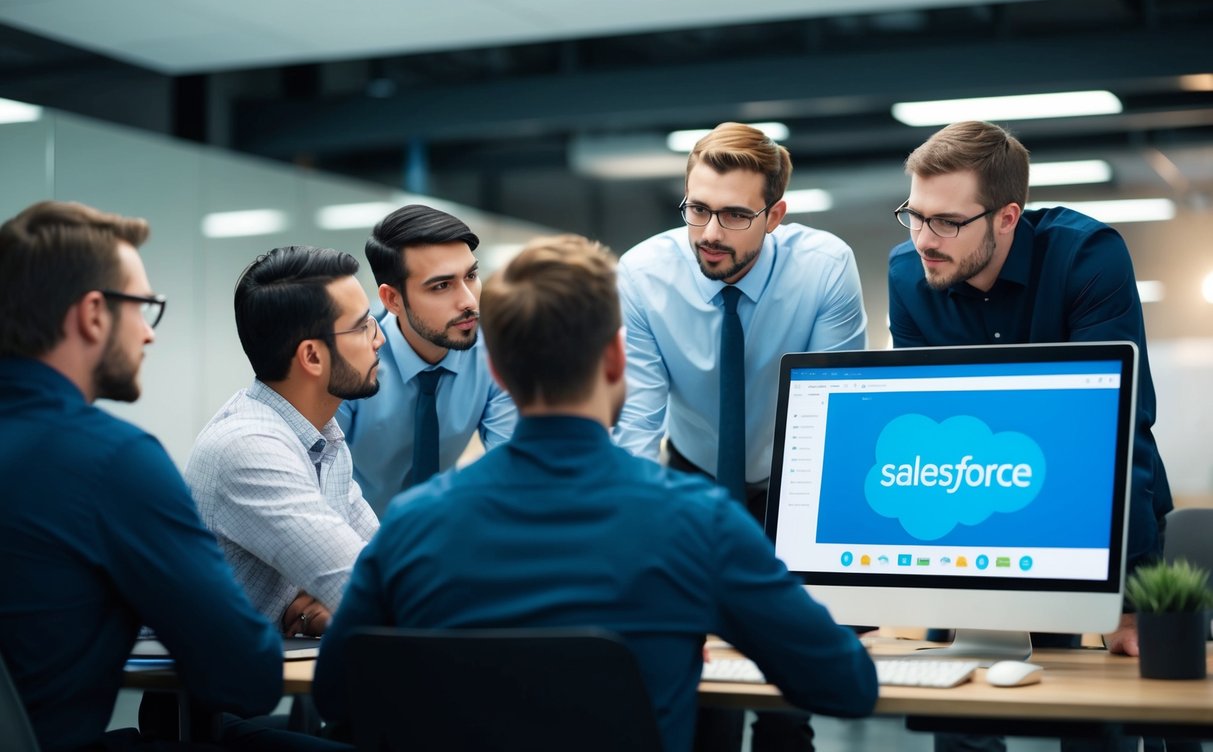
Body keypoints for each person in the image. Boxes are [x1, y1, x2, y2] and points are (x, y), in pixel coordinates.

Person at [312, 235, 878, 752]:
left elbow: (335, 695)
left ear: (501, 376)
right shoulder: (697, 522)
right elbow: (845, 686)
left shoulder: (412, 526)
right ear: (615, 357)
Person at [887, 120, 1174, 752]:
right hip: (979, 515)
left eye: (946, 222)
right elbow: (928, 440)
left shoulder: (1085, 257)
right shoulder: (911, 274)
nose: (923, 239)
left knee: (1102, 716)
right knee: (959, 716)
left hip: (1090, 516)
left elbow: (1119, 436)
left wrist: (1126, 595)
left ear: (1008, 216)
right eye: (914, 214)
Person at [614, 122, 867, 751]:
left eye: (733, 215)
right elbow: (638, 425)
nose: (708, 233)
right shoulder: (643, 274)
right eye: (697, 209)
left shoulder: (824, 267)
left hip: (793, 480)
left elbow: (839, 422)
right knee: (699, 684)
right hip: (692, 474)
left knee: (786, 699)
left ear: (774, 214)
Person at [0, 201, 282, 751]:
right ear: (93, 314)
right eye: (144, 308)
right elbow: (246, 677)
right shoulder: (111, 461)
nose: (149, 336)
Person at [185, 246, 383, 637]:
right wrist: (347, 603)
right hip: (206, 694)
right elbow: (374, 592)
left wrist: (333, 606)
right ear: (311, 356)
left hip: (267, 680)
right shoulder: (248, 448)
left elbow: (381, 564)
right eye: (363, 327)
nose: (379, 340)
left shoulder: (321, 439)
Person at [337, 204, 517, 517]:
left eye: (471, 276)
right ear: (393, 299)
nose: (469, 301)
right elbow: (319, 487)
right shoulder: (349, 362)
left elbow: (511, 470)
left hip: (445, 535)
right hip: (355, 539)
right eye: (441, 285)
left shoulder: (495, 352)